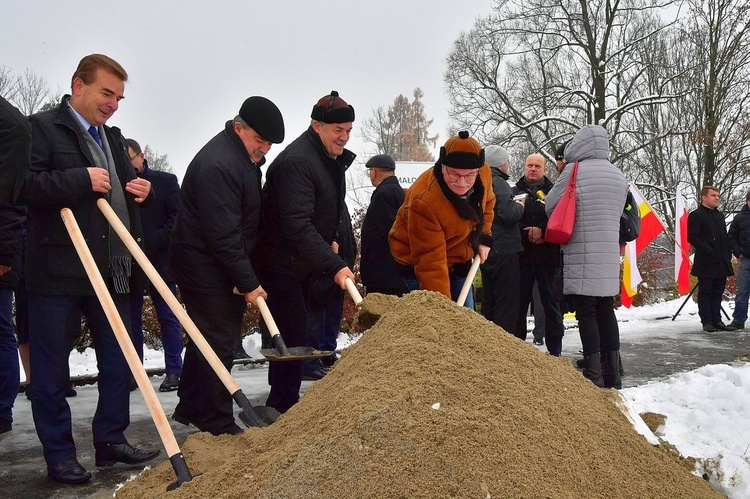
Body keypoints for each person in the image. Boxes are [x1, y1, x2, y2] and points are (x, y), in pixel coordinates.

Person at [16, 54, 159, 484]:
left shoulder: (113, 138)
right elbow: (23, 185)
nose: (113, 104)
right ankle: (59, 454)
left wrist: (142, 191)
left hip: (110, 268)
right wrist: (80, 179)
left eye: (118, 96)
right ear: (78, 85)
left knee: (120, 360)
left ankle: (110, 439)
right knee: (50, 369)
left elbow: (115, 191)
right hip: (56, 268)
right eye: (105, 93)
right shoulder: (40, 128)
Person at [169, 96, 285, 434]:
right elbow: (223, 235)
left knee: (210, 337)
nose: (263, 149)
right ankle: (215, 418)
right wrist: (248, 282)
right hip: (202, 265)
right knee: (218, 341)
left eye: (268, 144)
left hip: (217, 262)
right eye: (259, 141)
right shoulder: (219, 165)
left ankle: (192, 403)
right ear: (239, 128)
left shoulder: (241, 158)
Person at [254, 90, 356, 413]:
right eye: (338, 130)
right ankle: (281, 405)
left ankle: (285, 402)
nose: (344, 137)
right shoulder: (299, 162)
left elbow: (328, 208)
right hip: (279, 262)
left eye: (349, 130)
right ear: (317, 126)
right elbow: (296, 224)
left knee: (298, 332)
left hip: (299, 262)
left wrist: (332, 240)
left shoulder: (328, 160)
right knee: (292, 333)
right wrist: (334, 265)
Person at [545, 124, 628, 388]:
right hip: (608, 256)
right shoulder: (618, 175)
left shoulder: (573, 170)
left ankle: (594, 374)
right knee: (606, 310)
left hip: (582, 253)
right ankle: (613, 374)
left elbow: (551, 206)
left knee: (586, 313)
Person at [389, 131, 495, 308]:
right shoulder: (425, 202)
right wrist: (441, 313)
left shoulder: (484, 173)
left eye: (469, 175)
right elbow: (431, 263)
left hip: (458, 257)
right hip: (418, 262)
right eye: (454, 174)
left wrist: (484, 237)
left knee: (465, 320)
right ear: (442, 167)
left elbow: (489, 202)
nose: (462, 182)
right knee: (434, 317)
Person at [126, 138, 183, 392]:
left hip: (160, 261)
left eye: (130, 159)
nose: (128, 166)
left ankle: (174, 371)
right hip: (130, 263)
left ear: (141, 156)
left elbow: (178, 219)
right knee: (130, 320)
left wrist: (156, 240)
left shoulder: (165, 181)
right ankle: (134, 372)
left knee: (168, 317)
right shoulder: (120, 185)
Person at [511, 153, 565, 355]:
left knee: (551, 305)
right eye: (529, 165)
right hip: (521, 258)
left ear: (545, 170)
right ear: (524, 168)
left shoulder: (554, 193)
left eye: (537, 166)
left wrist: (543, 231)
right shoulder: (513, 192)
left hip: (547, 257)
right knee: (518, 306)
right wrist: (525, 233)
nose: (533, 169)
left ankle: (555, 352)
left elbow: (561, 221)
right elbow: (507, 221)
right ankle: (517, 351)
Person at [0, 96, 30, 438]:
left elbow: (10, 195)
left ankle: (1, 410)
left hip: (2, 248)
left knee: (0, 330)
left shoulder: (10, 125)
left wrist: (4, 255)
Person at [479, 145, 523, 334]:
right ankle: (504, 340)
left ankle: (488, 338)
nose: (508, 165)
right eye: (506, 161)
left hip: (487, 247)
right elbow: (507, 213)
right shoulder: (500, 183)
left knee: (489, 298)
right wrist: (520, 206)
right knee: (507, 300)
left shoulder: (479, 181)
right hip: (505, 249)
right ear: (500, 163)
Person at [688, 186, 736, 333]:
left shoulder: (720, 216)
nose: (717, 198)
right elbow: (692, 237)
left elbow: (724, 238)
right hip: (706, 261)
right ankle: (707, 321)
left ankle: (717, 320)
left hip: (721, 261)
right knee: (706, 291)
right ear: (704, 197)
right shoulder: (696, 215)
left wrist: (728, 253)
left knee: (717, 291)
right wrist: (707, 250)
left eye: (718, 195)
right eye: (713, 195)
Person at [360, 153, 407, 296]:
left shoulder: (383, 194)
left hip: (383, 274)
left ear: (374, 171)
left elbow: (389, 230)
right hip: (393, 272)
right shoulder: (397, 191)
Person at [728, 191, 750, 330]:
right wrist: (737, 252)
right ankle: (738, 320)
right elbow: (731, 236)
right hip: (746, 260)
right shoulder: (739, 218)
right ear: (748, 201)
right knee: (742, 291)